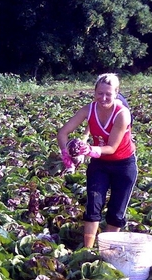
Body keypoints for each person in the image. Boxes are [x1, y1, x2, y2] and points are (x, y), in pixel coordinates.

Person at [57, 73, 136, 249]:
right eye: (100, 93)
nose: (104, 98)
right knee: (93, 206)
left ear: (116, 93)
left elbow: (112, 148)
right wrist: (66, 155)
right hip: (99, 165)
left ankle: (106, 251)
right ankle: (87, 251)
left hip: (123, 165)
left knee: (116, 211)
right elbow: (63, 132)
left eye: (108, 94)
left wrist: (88, 150)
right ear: (94, 93)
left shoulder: (122, 114)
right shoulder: (88, 110)